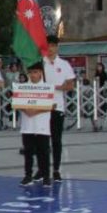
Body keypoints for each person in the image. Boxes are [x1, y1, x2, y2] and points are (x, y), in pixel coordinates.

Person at [43, 35, 76, 180]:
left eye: (52, 46)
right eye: (47, 46)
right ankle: (42, 169)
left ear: (57, 47)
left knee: (56, 140)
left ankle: (56, 169)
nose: (50, 49)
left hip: (57, 107)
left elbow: (70, 85)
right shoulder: (39, 63)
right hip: (41, 107)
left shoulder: (64, 64)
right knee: (42, 141)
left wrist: (55, 87)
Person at [19, 62, 52, 187]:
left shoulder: (47, 87)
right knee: (28, 152)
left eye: (36, 72)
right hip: (27, 126)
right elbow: (17, 102)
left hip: (42, 125)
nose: (33, 75)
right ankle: (28, 176)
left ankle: (46, 176)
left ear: (41, 73)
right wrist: (25, 109)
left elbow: (50, 105)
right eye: (31, 72)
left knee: (43, 152)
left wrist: (36, 110)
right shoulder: (23, 87)